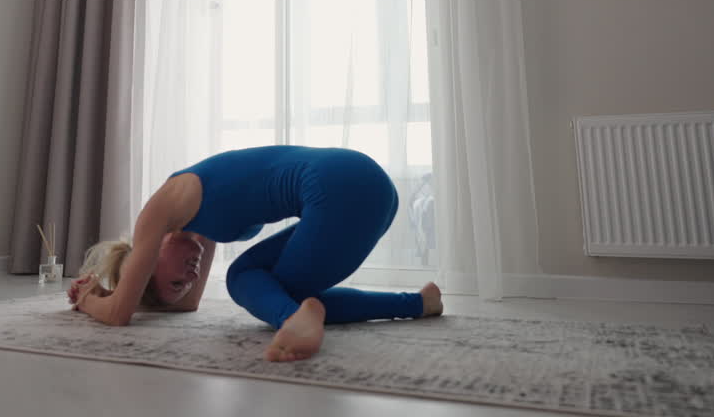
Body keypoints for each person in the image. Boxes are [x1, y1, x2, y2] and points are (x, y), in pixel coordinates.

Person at [68, 145, 444, 362]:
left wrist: (88, 300)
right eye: (187, 281)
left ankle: (293, 319)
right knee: (264, 283)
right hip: (368, 187)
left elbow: (119, 316)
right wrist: (114, 292)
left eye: (177, 278)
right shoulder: (198, 226)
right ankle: (418, 303)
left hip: (340, 188)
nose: (193, 275)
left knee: (244, 279)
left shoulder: (161, 210)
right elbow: (187, 306)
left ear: (146, 262)